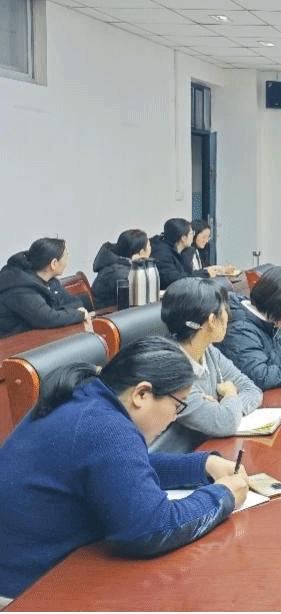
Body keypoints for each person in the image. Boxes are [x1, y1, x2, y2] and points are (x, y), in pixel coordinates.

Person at [0, 336, 249, 601]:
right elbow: (151, 529)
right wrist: (223, 495)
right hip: (31, 591)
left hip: (39, 568)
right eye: (177, 405)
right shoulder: (105, 427)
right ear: (141, 394)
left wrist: (203, 465)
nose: (175, 416)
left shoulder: (88, 397)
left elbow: (124, 469)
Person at [150, 278, 263, 453]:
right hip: (175, 462)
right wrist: (230, 395)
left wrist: (223, 408)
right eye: (224, 309)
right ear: (211, 320)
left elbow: (252, 390)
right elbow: (225, 423)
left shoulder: (209, 351)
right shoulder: (170, 370)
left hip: (205, 451)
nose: (228, 315)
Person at [0, 237, 89, 338]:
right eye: (66, 257)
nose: (67, 262)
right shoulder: (19, 287)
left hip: (38, 337)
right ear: (53, 263)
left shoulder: (50, 281)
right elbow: (47, 319)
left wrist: (62, 313)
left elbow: (75, 303)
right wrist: (78, 314)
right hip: (15, 343)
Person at [150, 218, 226, 289]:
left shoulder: (180, 250)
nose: (193, 236)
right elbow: (175, 280)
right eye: (191, 233)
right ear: (183, 238)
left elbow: (187, 273)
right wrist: (205, 274)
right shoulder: (162, 253)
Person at [90, 229, 151, 309]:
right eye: (149, 246)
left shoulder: (116, 263)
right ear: (142, 252)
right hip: (112, 313)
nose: (151, 249)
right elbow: (139, 300)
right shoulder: (122, 274)